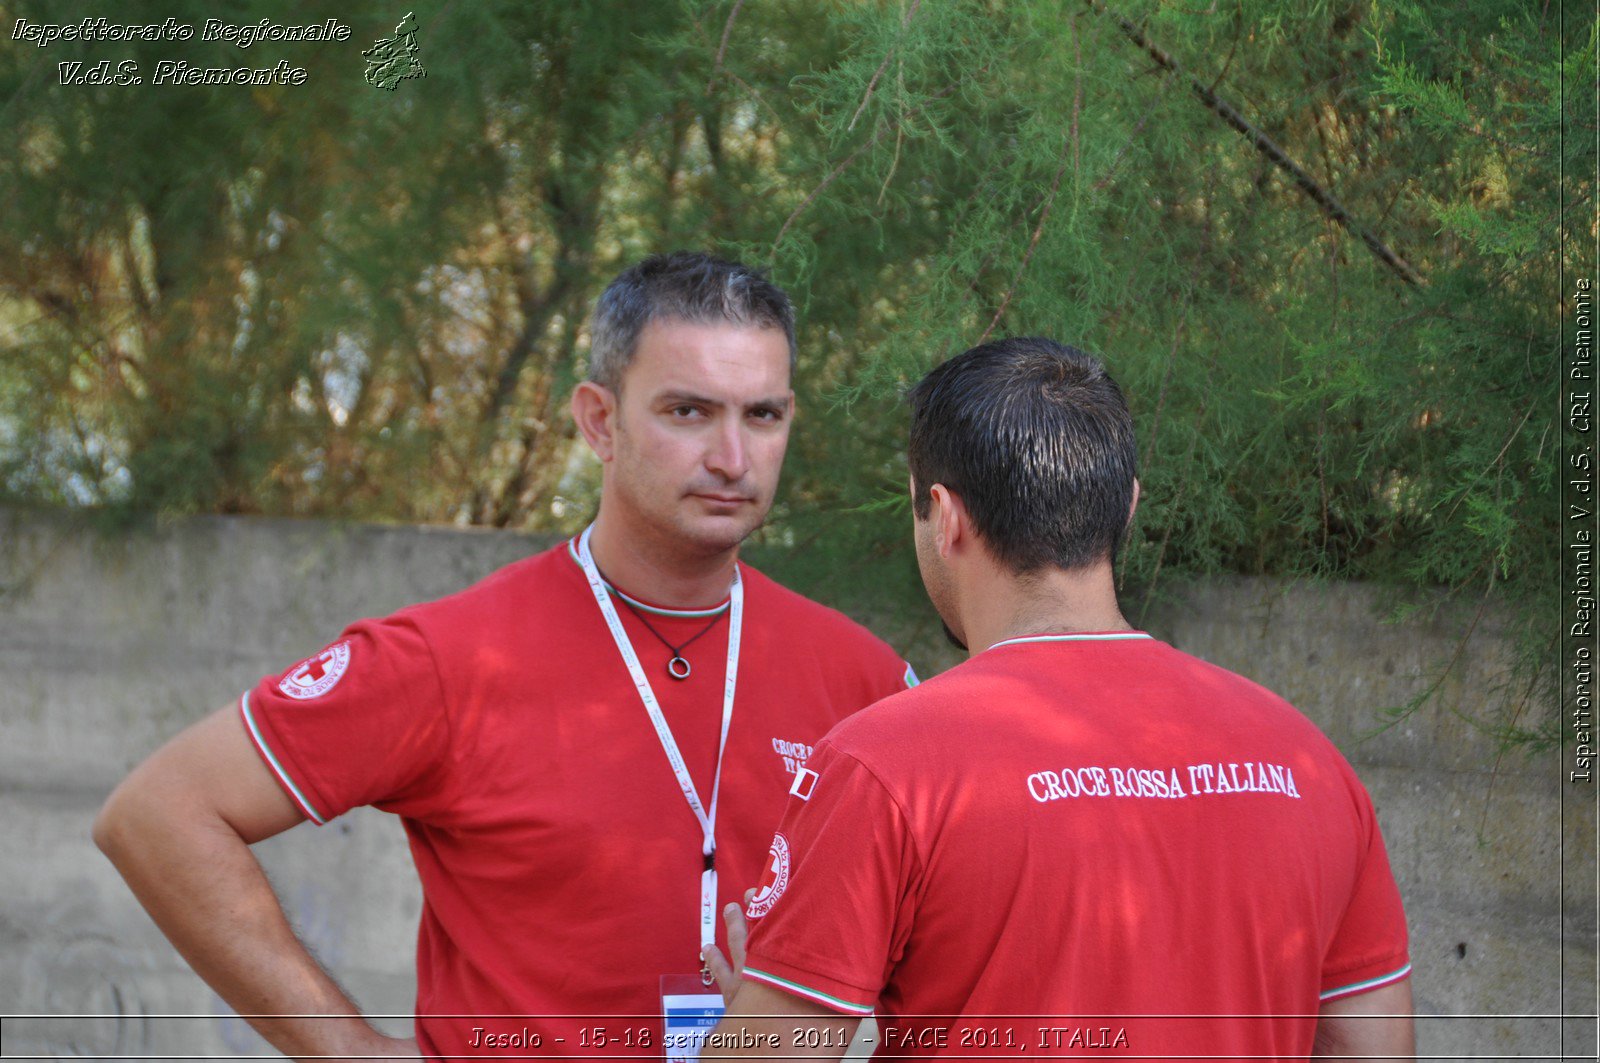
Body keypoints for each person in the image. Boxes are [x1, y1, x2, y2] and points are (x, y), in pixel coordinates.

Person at [93, 252, 916, 1061]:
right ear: (599, 420)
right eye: (688, 412)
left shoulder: (864, 679)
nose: (732, 457)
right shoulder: (452, 658)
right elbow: (159, 814)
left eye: (761, 416)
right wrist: (348, 1050)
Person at [701, 337, 1413, 1060]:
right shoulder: (1310, 764)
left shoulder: (882, 768)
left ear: (943, 515)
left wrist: (753, 1024)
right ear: (1126, 508)